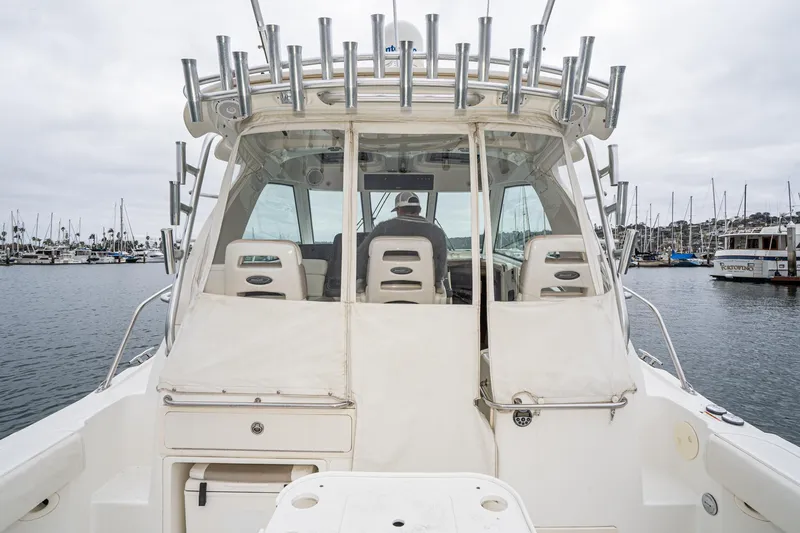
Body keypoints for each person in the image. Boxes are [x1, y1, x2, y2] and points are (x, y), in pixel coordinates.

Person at [356, 192, 448, 288]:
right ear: (419, 210)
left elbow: (360, 257)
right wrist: (437, 282)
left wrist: (362, 280)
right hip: (424, 291)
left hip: (383, 289)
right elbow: (441, 270)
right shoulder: (437, 233)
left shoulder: (382, 229)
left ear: (399, 210)